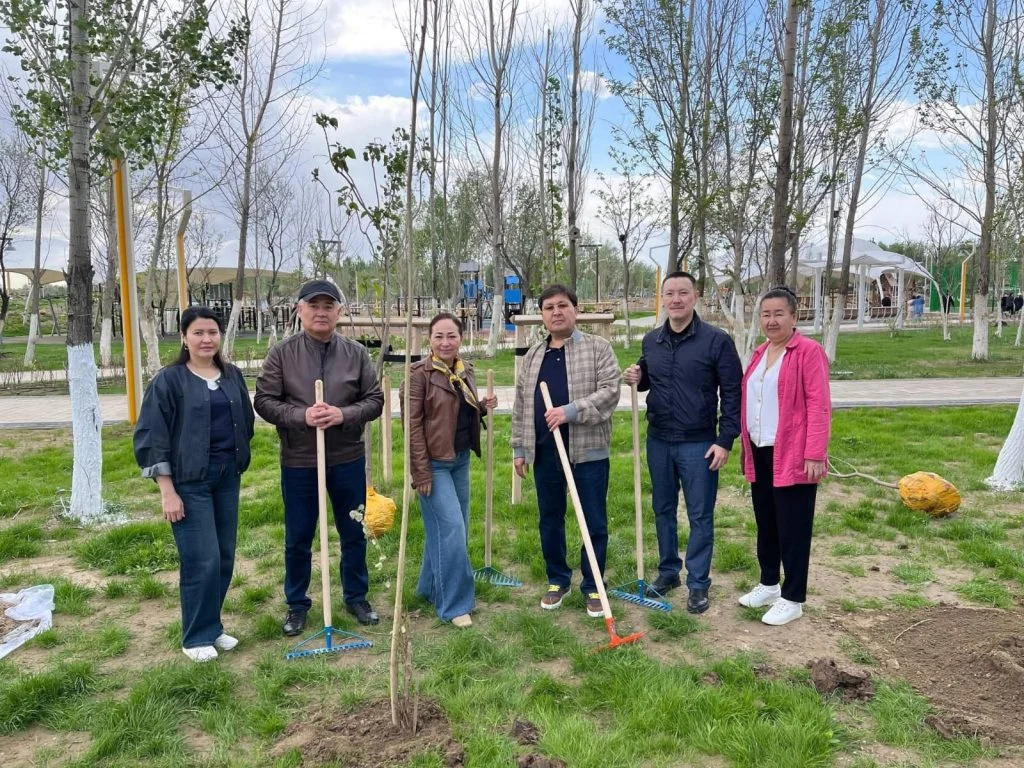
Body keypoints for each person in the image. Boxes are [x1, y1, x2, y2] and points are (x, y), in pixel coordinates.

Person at [255, 280, 385, 636]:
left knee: (353, 531)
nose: (321, 312)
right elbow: (264, 400)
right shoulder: (282, 354)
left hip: (346, 457)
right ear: (300, 310)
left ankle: (356, 596)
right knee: (298, 536)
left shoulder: (356, 353)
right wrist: (302, 417)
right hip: (299, 460)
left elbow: (375, 400)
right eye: (314, 305)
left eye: (329, 306)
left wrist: (344, 414)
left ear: (339, 313)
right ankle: (297, 604)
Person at [134, 306, 255, 662]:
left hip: (226, 478)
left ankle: (212, 627)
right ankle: (195, 637)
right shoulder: (169, 380)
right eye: (199, 333)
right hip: (189, 482)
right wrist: (167, 491)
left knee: (223, 557)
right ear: (184, 338)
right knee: (201, 559)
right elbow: (152, 436)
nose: (207, 339)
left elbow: (245, 421)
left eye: (212, 332)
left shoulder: (231, 375)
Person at [623, 271, 742, 614]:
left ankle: (698, 584)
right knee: (662, 509)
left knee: (700, 514)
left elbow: (732, 393)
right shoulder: (652, 341)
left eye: (683, 293)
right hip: (659, 439)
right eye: (670, 293)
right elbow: (649, 377)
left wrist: (725, 439)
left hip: (699, 442)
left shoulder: (716, 341)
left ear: (695, 297)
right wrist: (637, 376)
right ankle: (669, 571)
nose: (676, 299)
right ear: (663, 299)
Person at [511, 284, 620, 618]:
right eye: (548, 307)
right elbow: (520, 404)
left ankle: (593, 586)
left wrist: (570, 411)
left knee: (593, 521)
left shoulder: (598, 348)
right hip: (546, 454)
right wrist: (519, 446)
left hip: (588, 453)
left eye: (562, 305)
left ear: (576, 309)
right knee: (550, 520)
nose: (555, 312)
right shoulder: (532, 355)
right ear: (542, 314)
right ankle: (558, 579)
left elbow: (610, 391)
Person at [738, 286, 831, 626]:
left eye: (779, 314)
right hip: (760, 450)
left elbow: (819, 404)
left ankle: (793, 598)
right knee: (767, 522)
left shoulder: (808, 352)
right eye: (765, 314)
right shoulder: (760, 353)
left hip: (793, 453)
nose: (771, 320)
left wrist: (815, 452)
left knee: (793, 526)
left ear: (794, 316)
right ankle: (769, 583)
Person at [404, 312, 497, 628]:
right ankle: (455, 606)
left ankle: (430, 588)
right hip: (433, 465)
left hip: (459, 460)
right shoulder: (418, 375)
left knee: (450, 530)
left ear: (460, 338)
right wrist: (421, 472)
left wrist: (482, 406)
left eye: (451, 336)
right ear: (429, 339)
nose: (445, 342)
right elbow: (413, 427)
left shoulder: (463, 369)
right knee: (452, 530)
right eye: (439, 336)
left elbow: (457, 409)